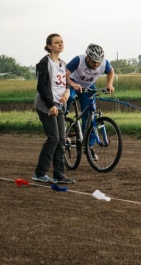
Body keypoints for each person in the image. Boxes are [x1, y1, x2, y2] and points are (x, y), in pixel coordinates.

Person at [32, 33, 74, 184]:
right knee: (53, 138)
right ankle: (40, 172)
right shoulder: (45, 63)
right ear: (49, 46)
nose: (60, 44)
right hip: (46, 105)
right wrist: (51, 105)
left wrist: (67, 93)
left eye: (61, 42)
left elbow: (65, 83)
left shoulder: (63, 63)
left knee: (61, 140)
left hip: (59, 104)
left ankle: (59, 175)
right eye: (56, 43)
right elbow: (41, 87)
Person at [65, 44, 115, 160]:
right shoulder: (78, 60)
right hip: (73, 83)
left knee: (90, 117)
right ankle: (63, 119)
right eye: (94, 62)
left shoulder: (104, 63)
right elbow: (64, 74)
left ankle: (88, 146)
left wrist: (109, 84)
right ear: (87, 57)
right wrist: (72, 84)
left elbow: (111, 72)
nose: (96, 65)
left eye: (98, 62)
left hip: (88, 87)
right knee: (70, 97)